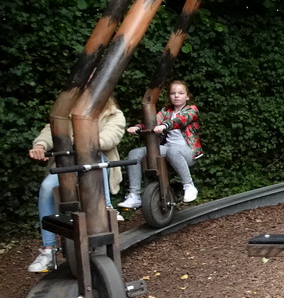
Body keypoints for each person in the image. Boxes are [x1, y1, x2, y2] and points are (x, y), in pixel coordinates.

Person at [27, 96, 126, 273]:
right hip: (67, 163)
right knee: (46, 188)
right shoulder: (67, 114)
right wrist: (41, 146)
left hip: (95, 159)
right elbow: (52, 131)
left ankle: (107, 205)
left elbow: (110, 137)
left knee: (95, 160)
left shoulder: (113, 115)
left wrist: (83, 143)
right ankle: (48, 250)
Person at [119, 80, 203, 209]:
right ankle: (134, 195)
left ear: (187, 96)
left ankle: (189, 185)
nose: (176, 96)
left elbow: (180, 120)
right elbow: (153, 123)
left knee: (173, 151)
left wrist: (165, 125)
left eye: (180, 93)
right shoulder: (165, 112)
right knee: (134, 153)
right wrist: (137, 127)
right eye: (173, 93)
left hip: (187, 151)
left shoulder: (192, 110)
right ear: (169, 96)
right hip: (168, 148)